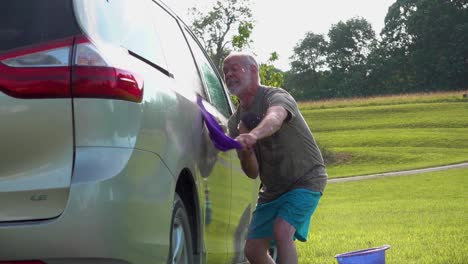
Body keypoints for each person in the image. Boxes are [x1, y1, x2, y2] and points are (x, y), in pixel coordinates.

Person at [223, 52, 327, 264]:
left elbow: (275, 117)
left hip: (306, 180)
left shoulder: (276, 96)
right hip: (272, 191)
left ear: (253, 71)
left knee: (282, 232)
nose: (228, 74)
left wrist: (253, 135)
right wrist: (247, 151)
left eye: (234, 68)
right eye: (225, 71)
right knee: (253, 250)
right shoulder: (235, 123)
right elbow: (252, 172)